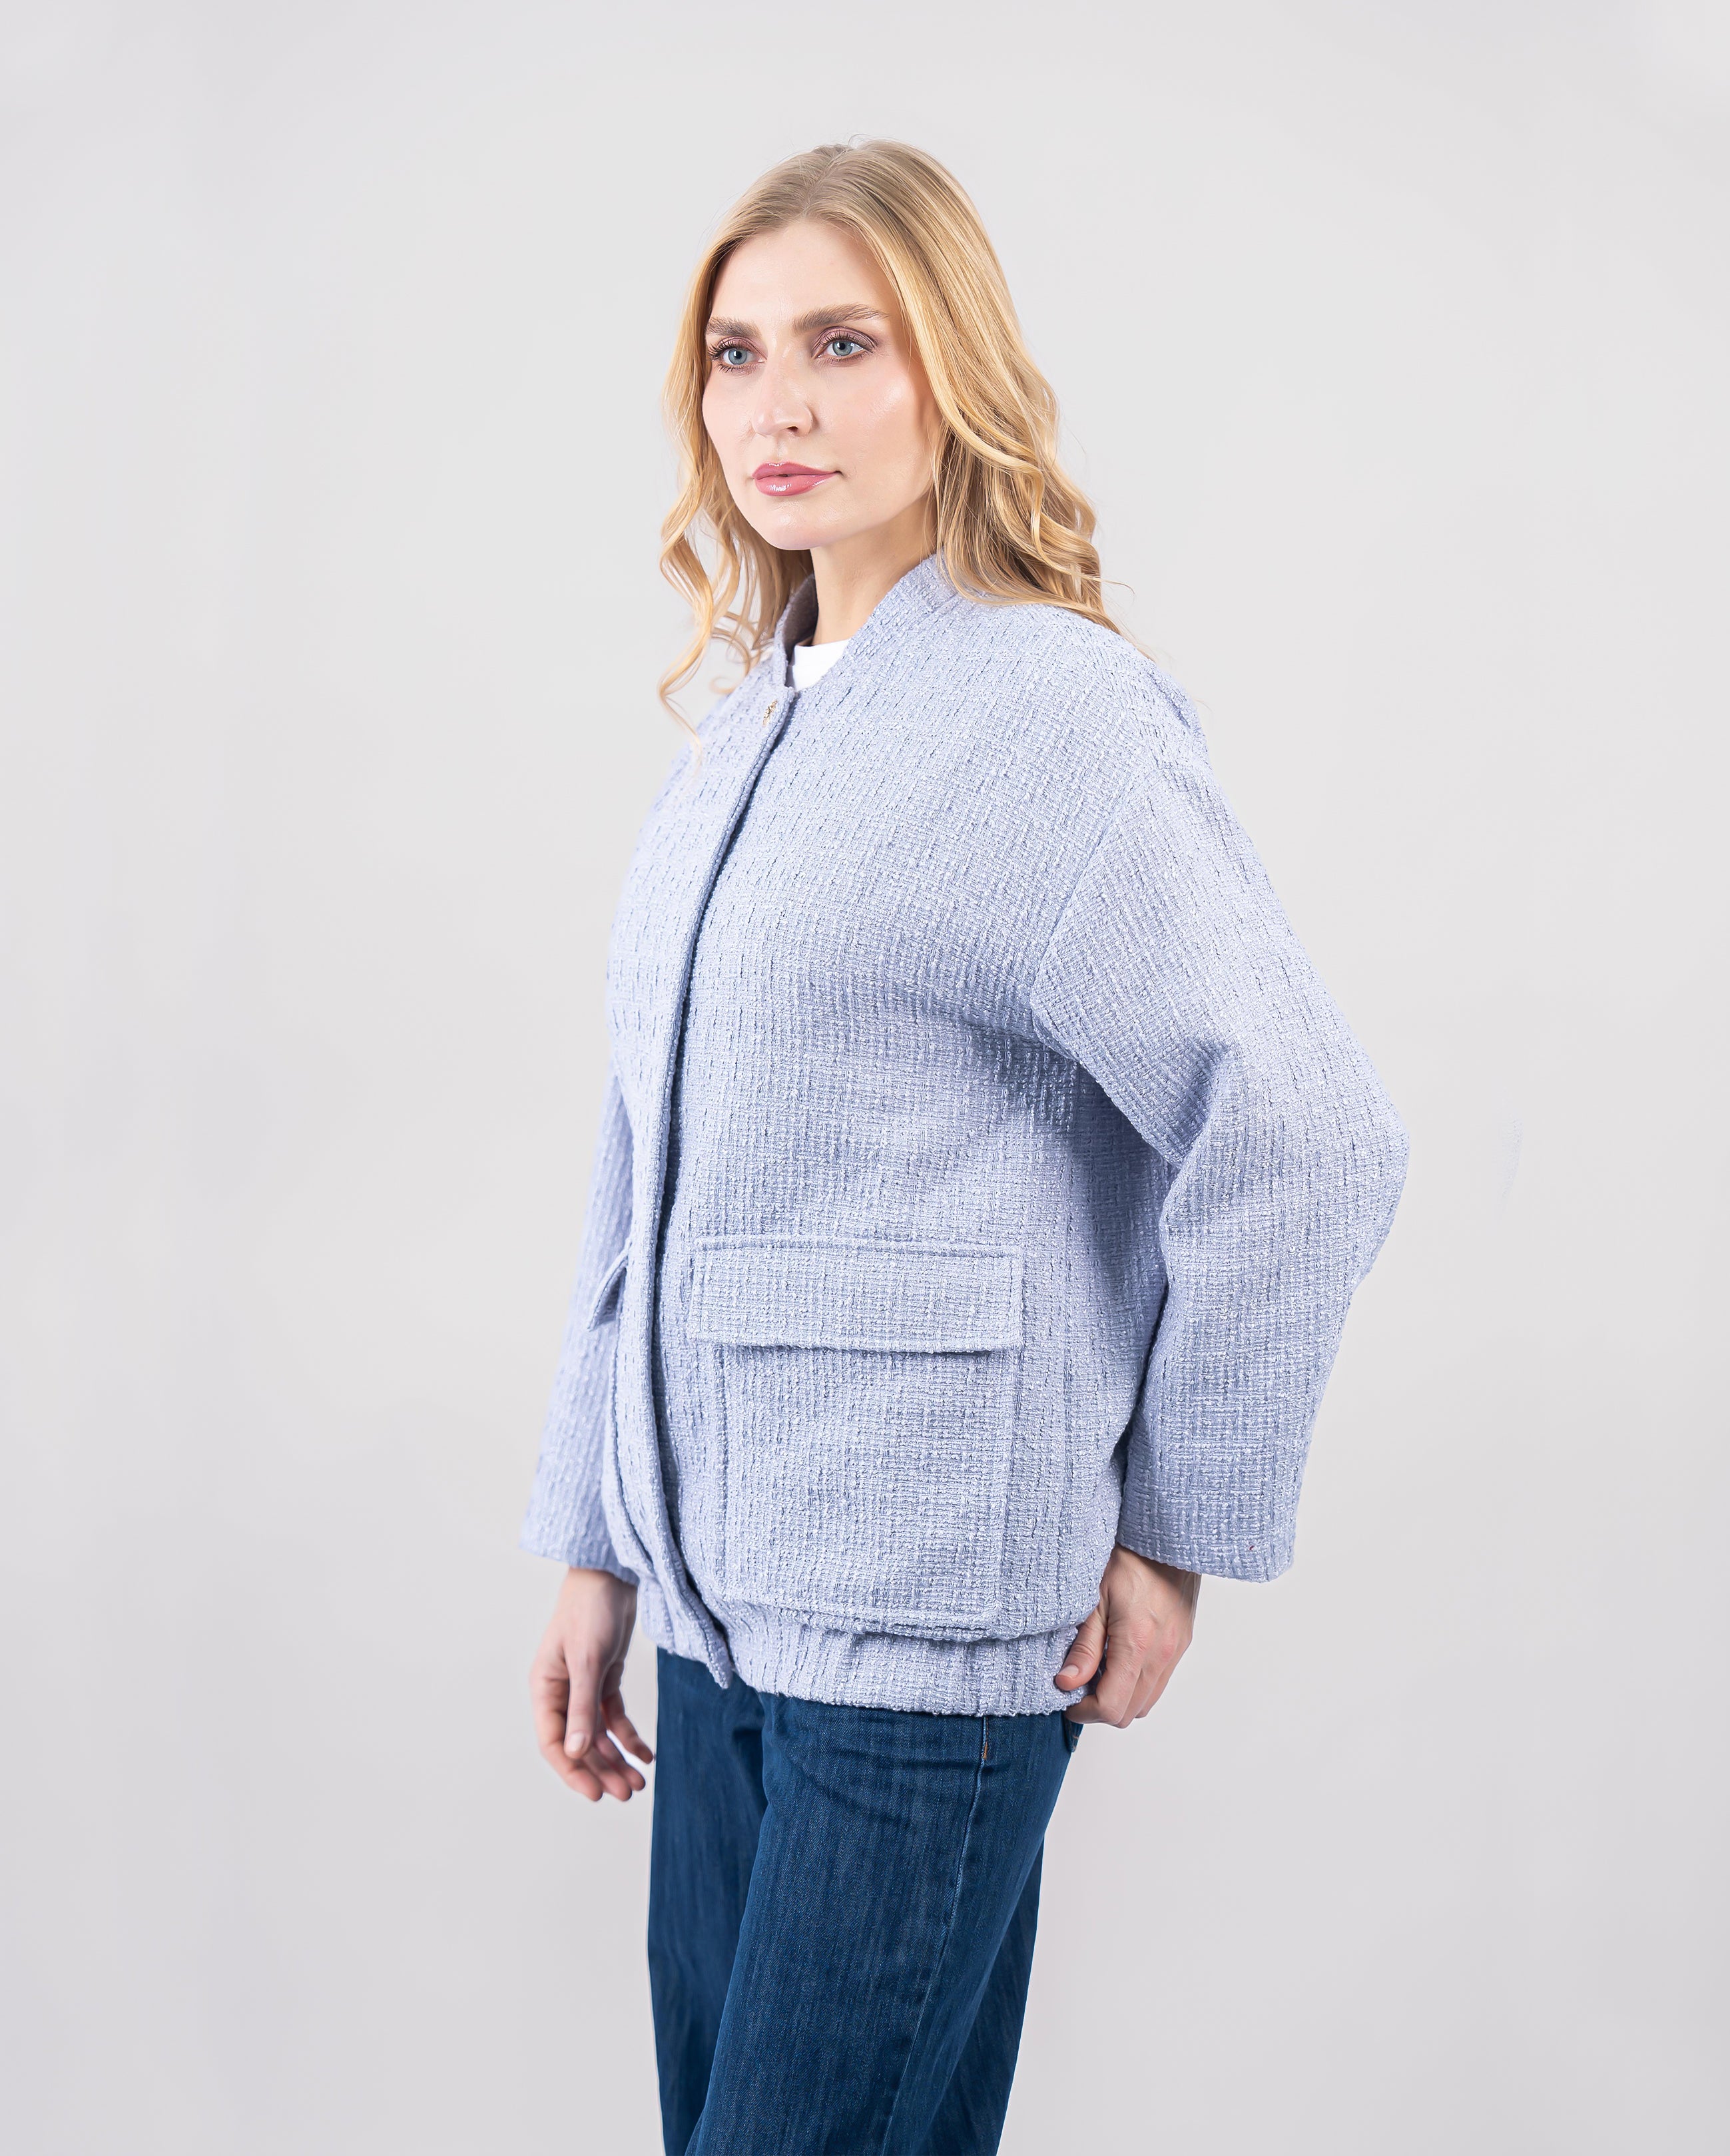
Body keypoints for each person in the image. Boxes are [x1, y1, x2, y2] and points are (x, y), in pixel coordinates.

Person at [521, 140, 1408, 2155]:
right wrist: (593, 1535)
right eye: (739, 354)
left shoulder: (1053, 720)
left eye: (845, 343)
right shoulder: (747, 731)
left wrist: (1175, 1528)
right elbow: (641, 1169)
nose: (780, 402)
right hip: (716, 1630)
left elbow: (1305, 1134)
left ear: (956, 370)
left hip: (926, 1639)